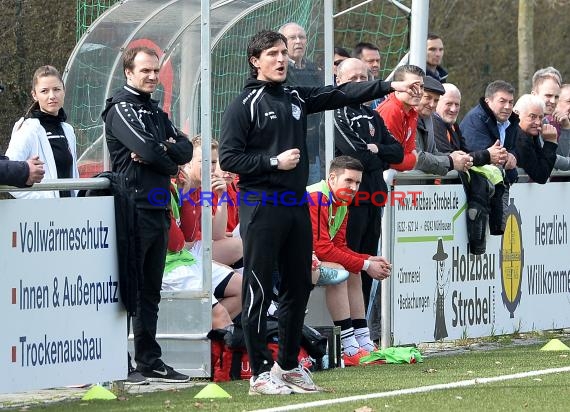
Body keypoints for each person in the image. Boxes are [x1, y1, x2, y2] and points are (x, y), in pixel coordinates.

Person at [219, 30, 420, 396]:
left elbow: (341, 93)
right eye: (272, 54)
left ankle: (289, 367)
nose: (281, 59)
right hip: (262, 204)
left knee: (300, 283)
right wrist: (272, 162)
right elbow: (230, 157)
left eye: (283, 53)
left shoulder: (296, 96)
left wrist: (388, 86)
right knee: (260, 285)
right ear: (255, 61)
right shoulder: (243, 104)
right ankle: (260, 373)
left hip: (296, 203)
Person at [101, 46, 193, 384]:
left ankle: (149, 360)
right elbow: (145, 150)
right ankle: (116, 358)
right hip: (132, 208)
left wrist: (163, 152)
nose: (152, 76)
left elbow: (183, 149)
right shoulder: (120, 107)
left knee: (150, 292)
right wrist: (165, 154)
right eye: (145, 71)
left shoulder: (154, 110)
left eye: (155, 71)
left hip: (158, 208)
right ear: (129, 72)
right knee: (129, 288)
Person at [333, 58, 403, 312]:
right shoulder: (337, 112)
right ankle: (348, 332)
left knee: (368, 265)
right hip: (349, 203)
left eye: (364, 78)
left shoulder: (373, 115)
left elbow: (398, 152)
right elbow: (357, 158)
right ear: (339, 81)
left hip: (375, 200)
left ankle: (361, 333)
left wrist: (378, 150)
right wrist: (377, 155)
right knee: (352, 264)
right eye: (354, 79)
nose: (360, 83)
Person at [307, 156, 391, 365]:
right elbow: (323, 248)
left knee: (351, 267)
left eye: (357, 183)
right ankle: (348, 345)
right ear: (332, 178)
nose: (354, 187)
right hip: (288, 260)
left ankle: (363, 340)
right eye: (349, 181)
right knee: (340, 270)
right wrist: (366, 265)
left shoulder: (341, 202)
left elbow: (340, 247)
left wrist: (367, 259)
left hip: (311, 259)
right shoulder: (318, 197)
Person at [6, 65, 79, 199]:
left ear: (64, 90)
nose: (52, 96)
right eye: (44, 91)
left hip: (70, 212)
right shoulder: (27, 130)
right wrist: (42, 201)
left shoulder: (68, 130)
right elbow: (10, 177)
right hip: (42, 215)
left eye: (56, 89)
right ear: (34, 95)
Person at [178, 136, 243, 268]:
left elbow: (216, 234)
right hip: (177, 256)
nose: (210, 167)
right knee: (239, 247)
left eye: (213, 162)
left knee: (245, 245)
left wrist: (221, 197)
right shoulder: (178, 184)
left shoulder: (203, 189)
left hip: (194, 248)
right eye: (204, 161)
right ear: (189, 162)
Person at [279, 22, 324, 184]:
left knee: (315, 202)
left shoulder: (315, 70)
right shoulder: (279, 71)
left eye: (302, 37)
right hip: (289, 149)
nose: (298, 41)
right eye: (292, 38)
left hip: (316, 149)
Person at [459, 80, 519, 184]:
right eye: (502, 101)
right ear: (488, 101)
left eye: (511, 102)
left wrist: (512, 156)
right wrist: (505, 157)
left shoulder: (511, 122)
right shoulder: (475, 119)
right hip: (478, 186)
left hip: (497, 184)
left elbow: (515, 148)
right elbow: (481, 153)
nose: (508, 107)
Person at [415, 77, 472, 175]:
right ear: (418, 95)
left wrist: (455, 158)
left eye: (436, 100)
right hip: (400, 186)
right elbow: (417, 158)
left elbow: (433, 152)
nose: (432, 104)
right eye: (428, 98)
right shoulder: (406, 116)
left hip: (423, 186)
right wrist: (450, 161)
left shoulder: (428, 118)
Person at [376, 64, 425, 171]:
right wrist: (412, 160)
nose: (419, 92)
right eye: (413, 87)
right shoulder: (391, 110)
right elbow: (391, 160)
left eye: (421, 86)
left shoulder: (412, 111)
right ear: (397, 88)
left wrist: (409, 159)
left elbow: (409, 150)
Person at [512, 94, 558, 183]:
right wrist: (550, 142)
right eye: (532, 116)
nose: (538, 122)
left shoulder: (529, 134)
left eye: (540, 117)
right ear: (517, 114)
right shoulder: (520, 139)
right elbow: (541, 176)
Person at [353, 42, 383, 109]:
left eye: (378, 61)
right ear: (357, 62)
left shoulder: (383, 92)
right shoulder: (350, 92)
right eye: (370, 61)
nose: (376, 64)